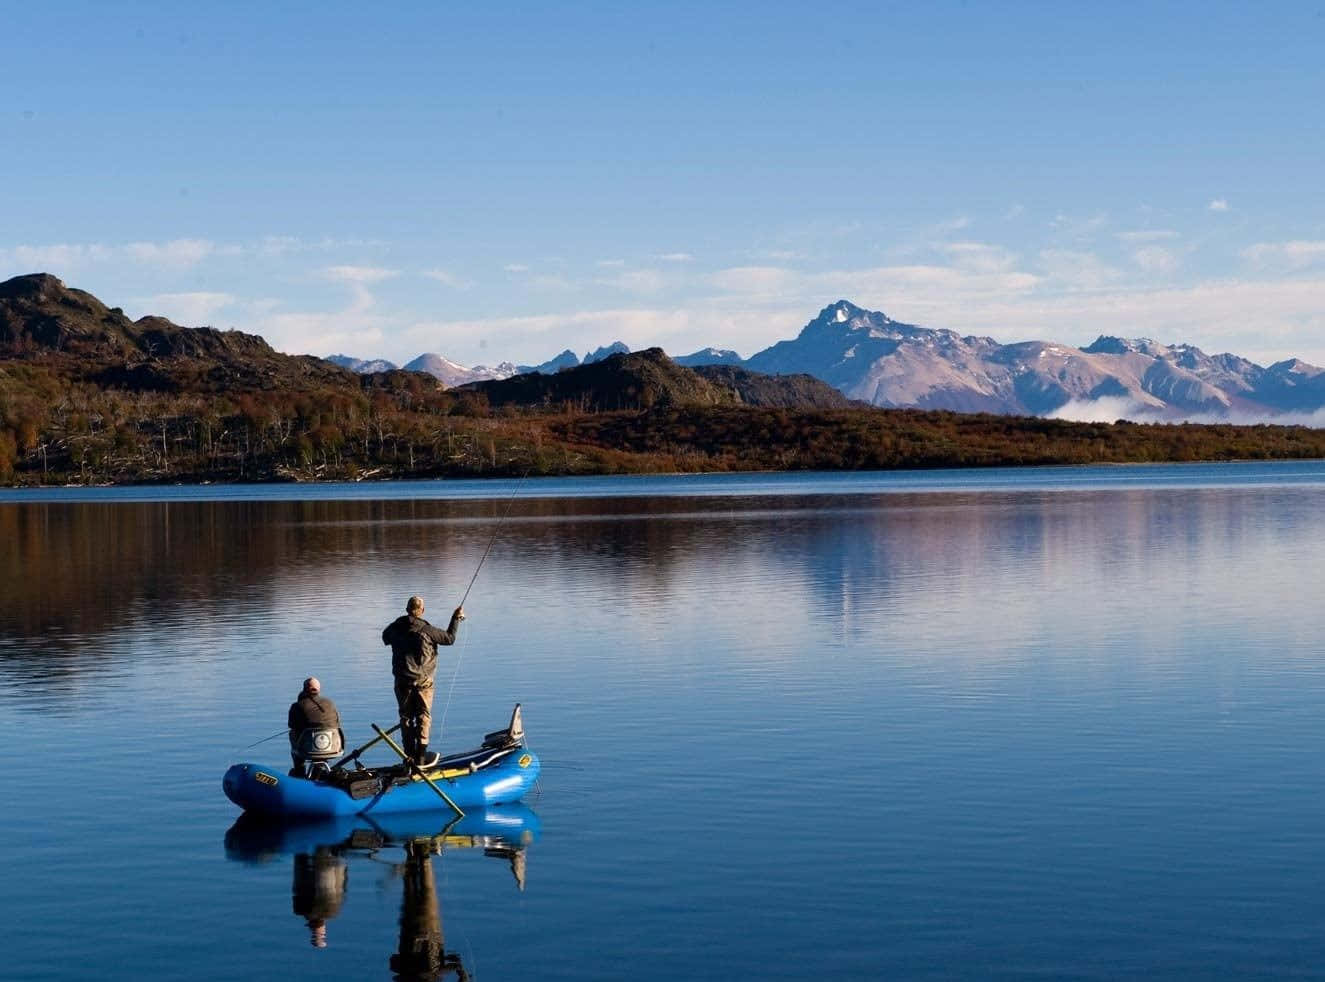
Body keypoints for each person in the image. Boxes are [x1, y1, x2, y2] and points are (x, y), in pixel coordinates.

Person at [382, 596, 464, 769]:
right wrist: (455, 618)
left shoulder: (394, 628)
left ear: (406, 609)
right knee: (423, 717)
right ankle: (420, 757)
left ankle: (408, 755)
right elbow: (450, 638)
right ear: (422, 611)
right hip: (423, 682)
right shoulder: (427, 630)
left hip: (402, 681)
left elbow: (385, 638)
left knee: (406, 717)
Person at [288, 677, 344, 775]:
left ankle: (299, 770)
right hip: (333, 748)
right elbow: (337, 723)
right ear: (319, 689)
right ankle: (320, 768)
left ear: (304, 689)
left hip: (308, 749)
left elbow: (292, 725)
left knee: (292, 733)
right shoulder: (330, 703)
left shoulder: (297, 706)